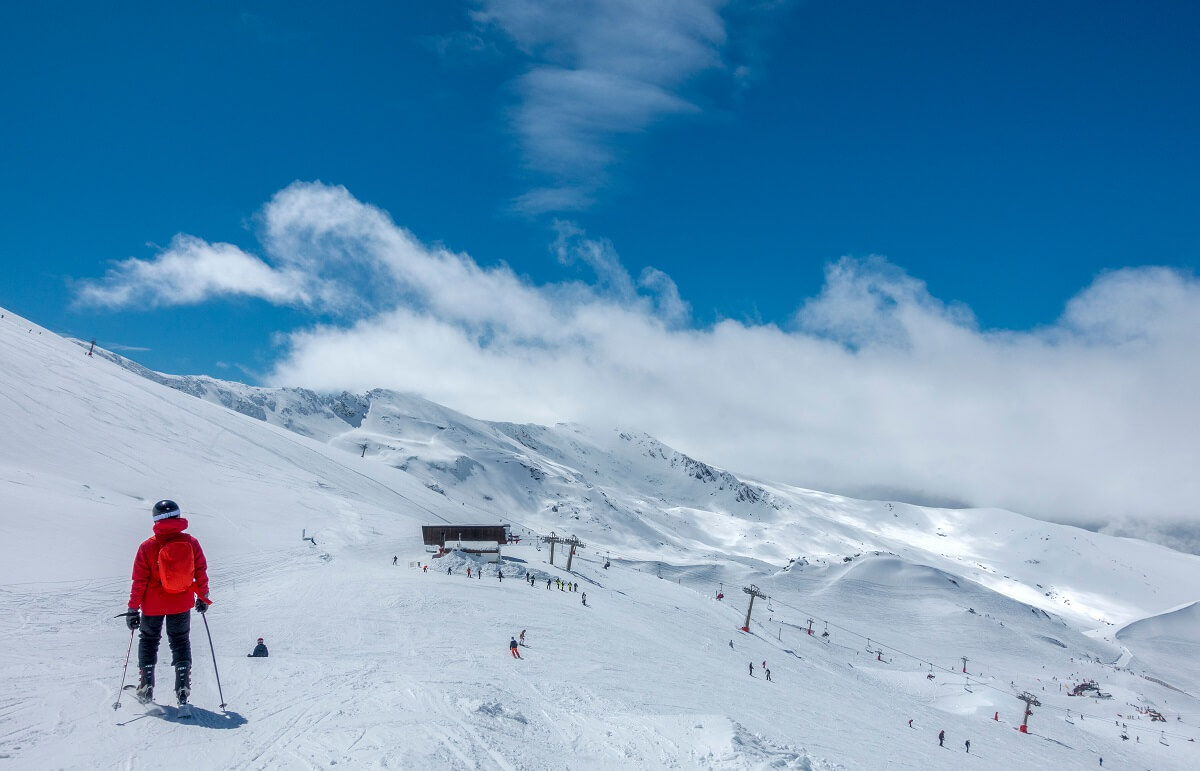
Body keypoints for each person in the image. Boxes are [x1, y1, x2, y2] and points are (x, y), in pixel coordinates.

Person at [123, 500, 210, 707]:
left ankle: (146, 686)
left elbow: (139, 581)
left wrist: (133, 608)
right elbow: (201, 572)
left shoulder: (148, 546)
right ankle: (182, 688)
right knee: (180, 641)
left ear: (155, 519)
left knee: (149, 641)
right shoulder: (191, 542)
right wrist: (203, 598)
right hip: (180, 602)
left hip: (152, 606)